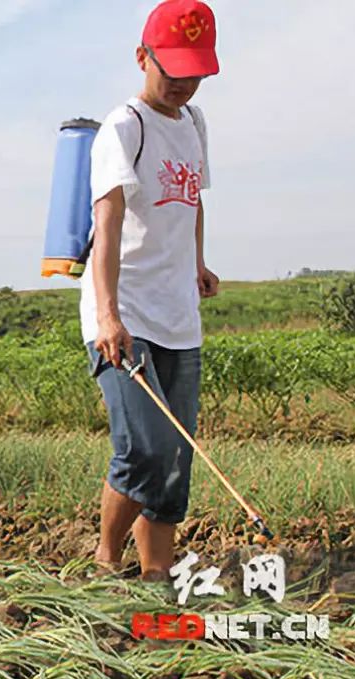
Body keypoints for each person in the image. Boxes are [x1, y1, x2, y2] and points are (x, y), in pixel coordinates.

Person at [82, 0, 221, 580]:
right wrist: (110, 316)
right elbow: (107, 224)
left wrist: (199, 262)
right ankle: (106, 560)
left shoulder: (194, 124)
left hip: (178, 316)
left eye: (194, 72)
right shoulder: (123, 128)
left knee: (176, 462)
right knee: (145, 448)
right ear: (142, 57)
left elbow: (193, 201)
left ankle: (156, 578)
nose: (182, 84)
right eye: (172, 70)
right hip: (126, 314)